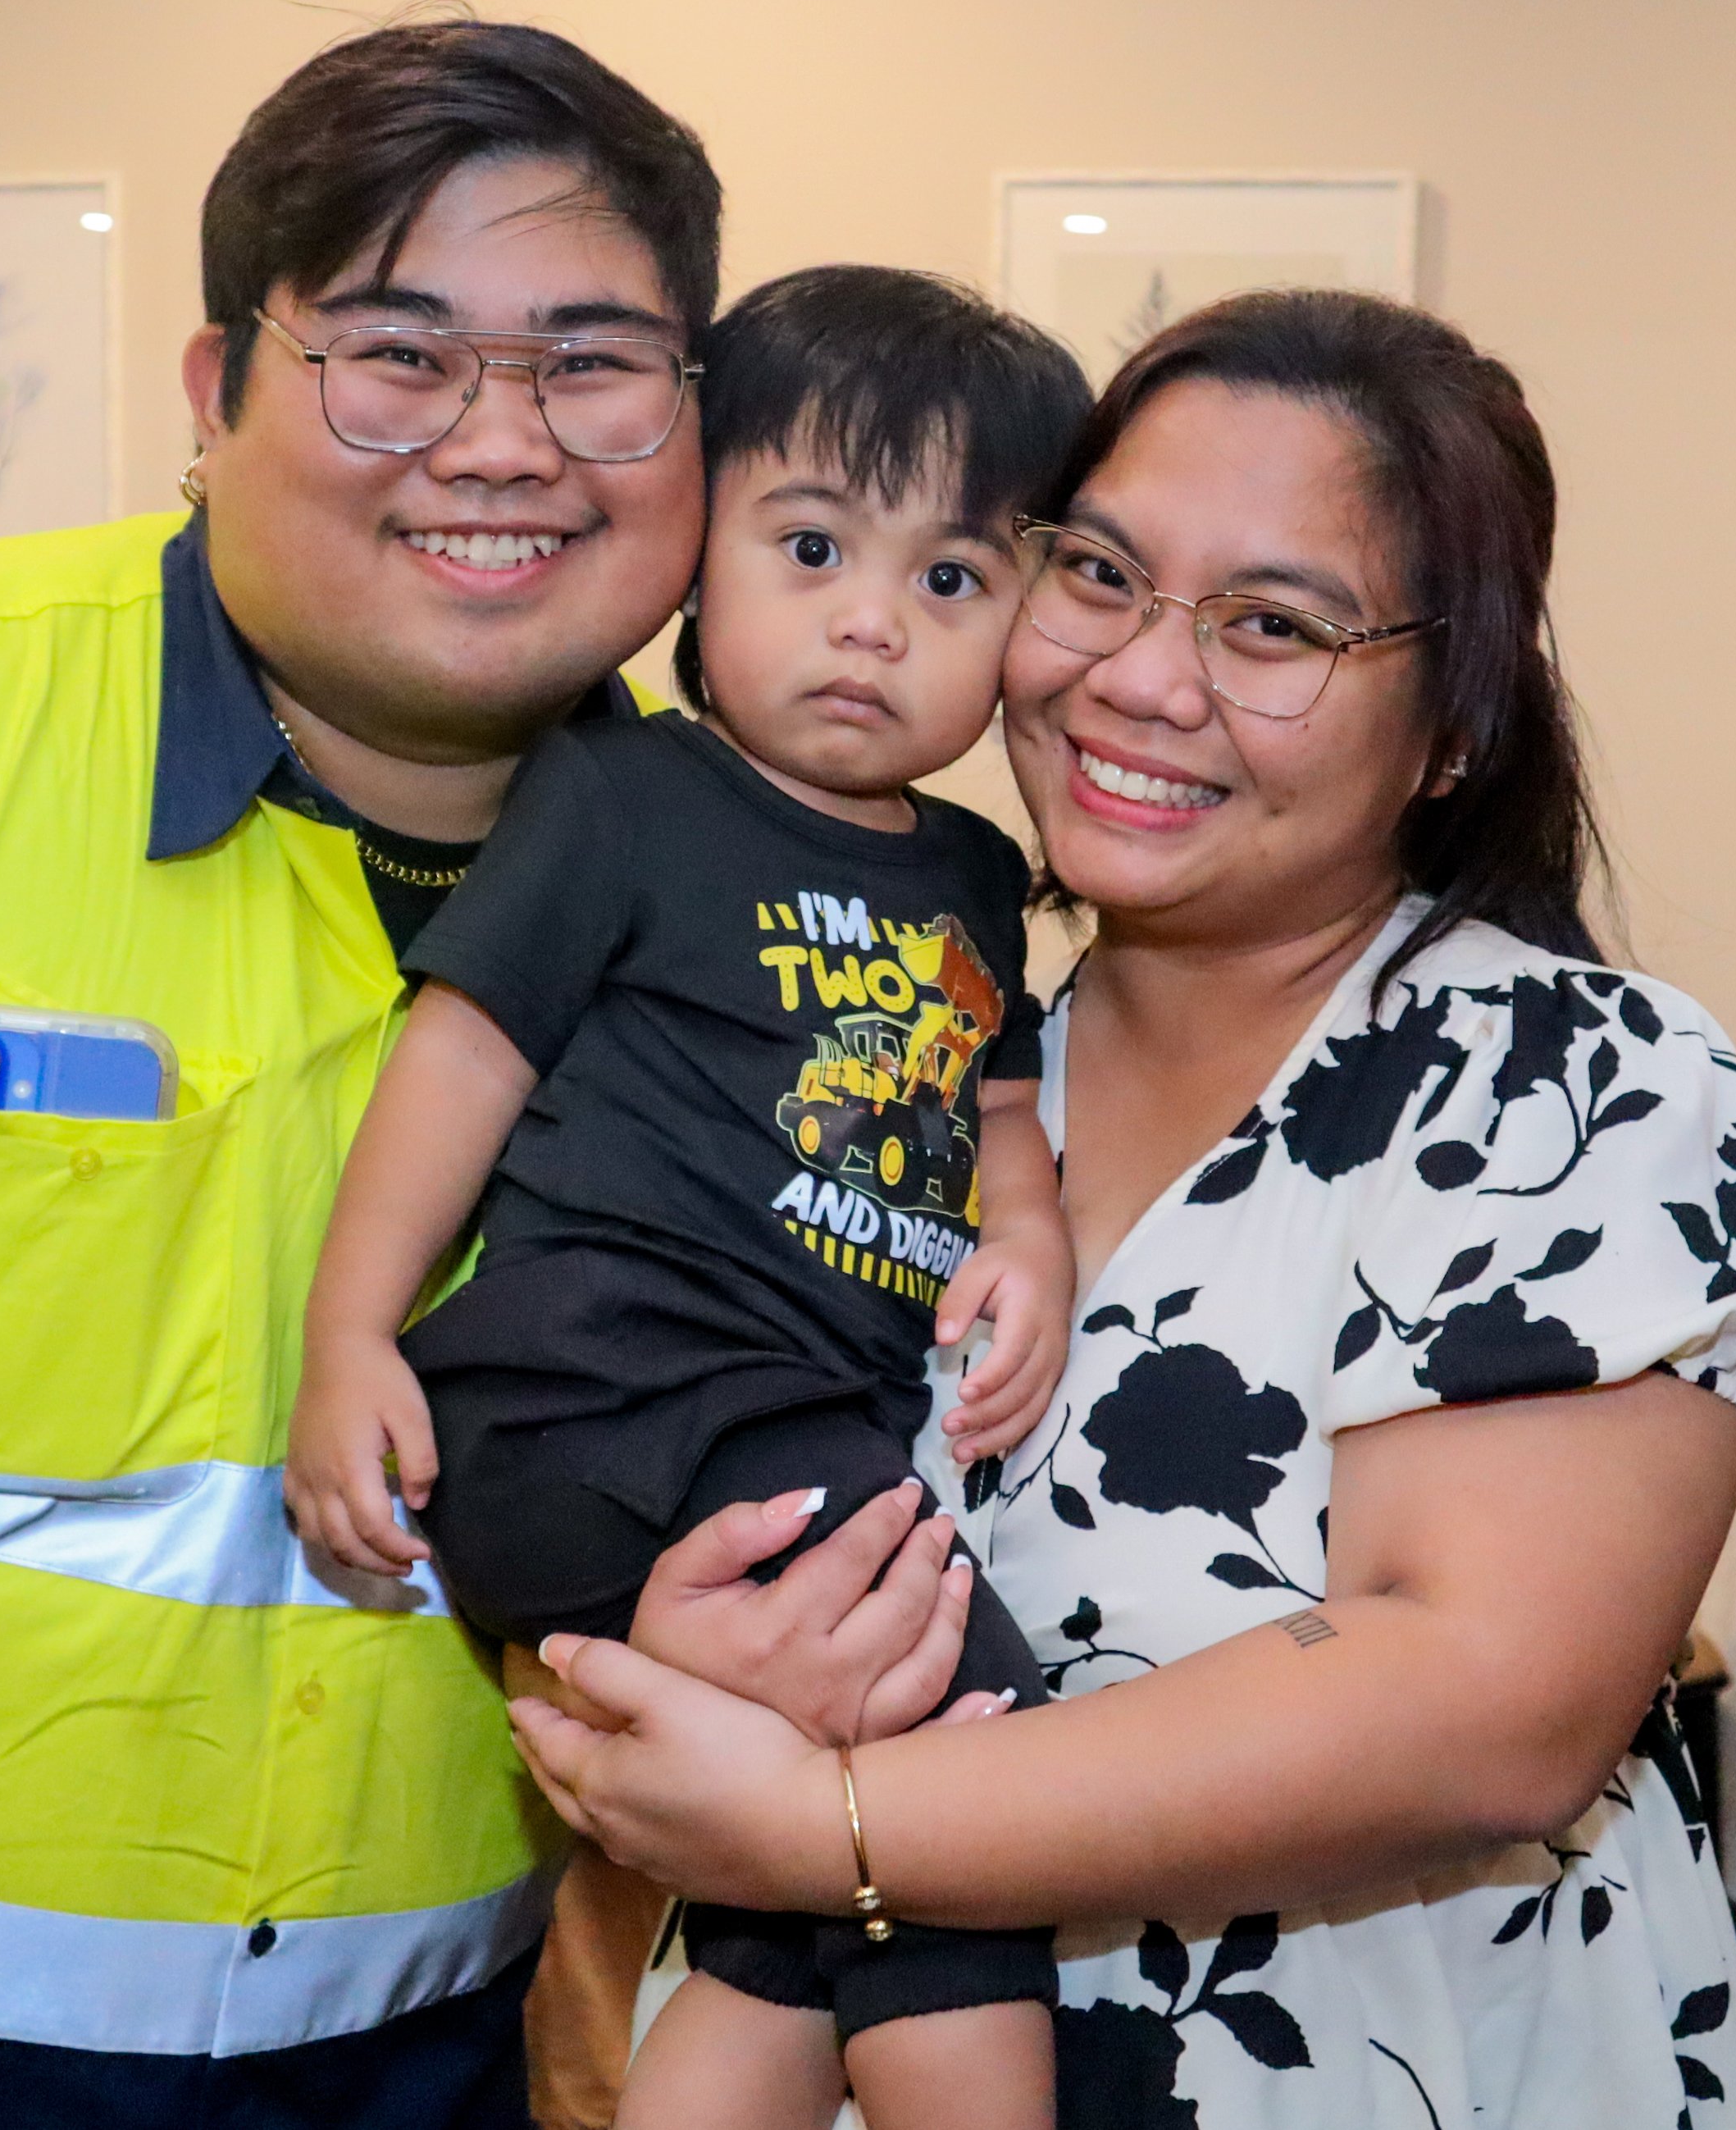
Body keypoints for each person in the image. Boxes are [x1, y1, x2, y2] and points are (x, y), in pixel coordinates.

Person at [507, 290, 1736, 2129]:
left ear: (1450, 725)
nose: (1139, 676)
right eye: (1098, 573)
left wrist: (827, 1821)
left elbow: (1488, 1699)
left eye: (1273, 624)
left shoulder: (1560, 1080)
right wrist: (691, 1643)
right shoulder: (924, 1065)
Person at [0, 17, 719, 2129]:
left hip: (447, 2045)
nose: (500, 442)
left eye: (591, 361)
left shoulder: (764, 900)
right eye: (396, 352)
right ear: (212, 393)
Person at [287, 268, 1092, 2130]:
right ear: (697, 551)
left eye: (950, 582)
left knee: (793, 1870)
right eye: (809, 546)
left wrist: (1024, 1231)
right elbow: (460, 1061)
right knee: (962, 1736)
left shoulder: (970, 868)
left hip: (785, 1416)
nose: (870, 626)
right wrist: (346, 1331)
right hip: (607, 1384)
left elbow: (996, 1098)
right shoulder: (622, 792)